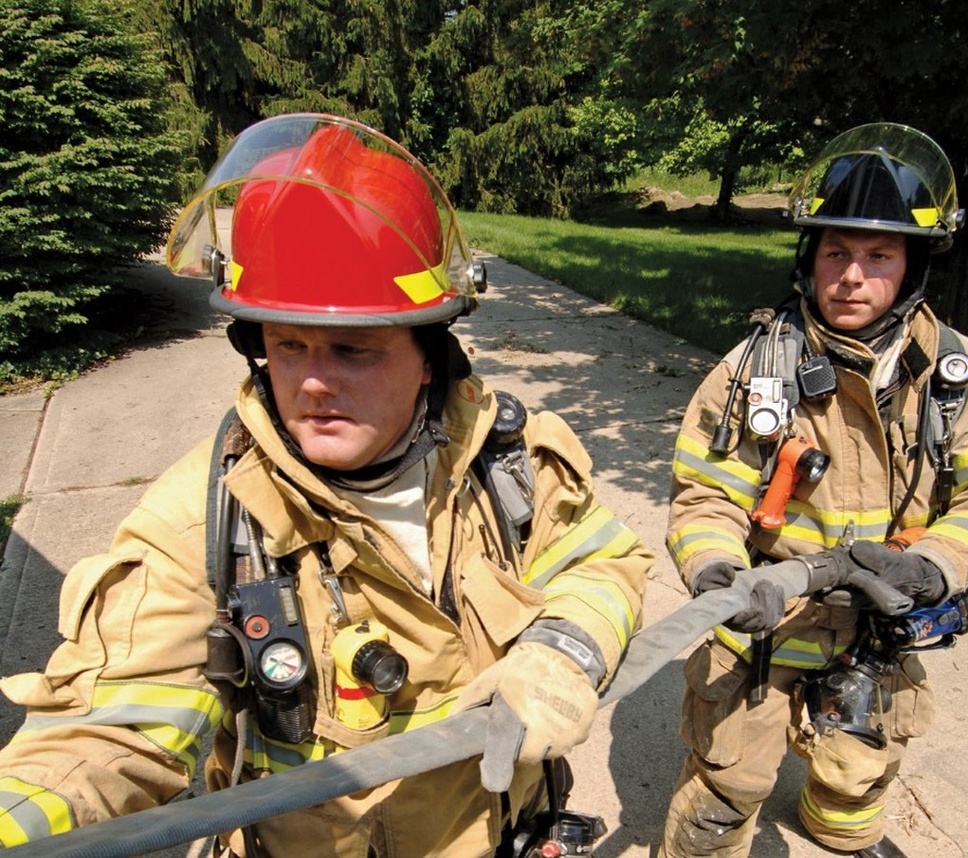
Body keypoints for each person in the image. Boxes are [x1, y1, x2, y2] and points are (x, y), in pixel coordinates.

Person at [0, 113, 652, 856]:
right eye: (287, 345)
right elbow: (103, 738)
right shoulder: (204, 519)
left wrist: (564, 650)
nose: (313, 381)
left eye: (353, 349)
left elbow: (604, 562)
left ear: (430, 354)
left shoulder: (508, 460)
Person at [660, 123, 968, 857]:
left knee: (858, 773)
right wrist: (719, 574)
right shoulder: (750, 374)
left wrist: (936, 566)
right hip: (765, 626)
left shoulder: (958, 376)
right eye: (836, 252)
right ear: (810, 258)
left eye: (878, 255)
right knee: (727, 782)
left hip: (879, 629)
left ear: (914, 264)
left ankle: (840, 835)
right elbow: (705, 497)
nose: (852, 275)